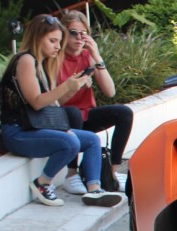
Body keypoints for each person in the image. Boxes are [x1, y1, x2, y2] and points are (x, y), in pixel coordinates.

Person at [0, 15, 121, 207]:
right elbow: (37, 103)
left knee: (91, 140)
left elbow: (54, 103)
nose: (58, 46)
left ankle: (94, 190)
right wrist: (66, 86)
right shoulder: (25, 60)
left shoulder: (43, 63)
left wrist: (74, 87)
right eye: (53, 41)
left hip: (36, 127)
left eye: (59, 41)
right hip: (18, 132)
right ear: (38, 38)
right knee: (70, 141)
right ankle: (42, 183)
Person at [55, 10, 134, 193]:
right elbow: (56, 100)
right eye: (73, 32)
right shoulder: (55, 58)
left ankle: (112, 172)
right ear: (63, 33)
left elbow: (110, 92)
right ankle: (71, 174)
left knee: (124, 112)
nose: (78, 38)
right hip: (64, 117)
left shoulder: (87, 57)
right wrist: (74, 87)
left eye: (83, 33)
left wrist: (97, 57)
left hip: (87, 115)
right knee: (73, 112)